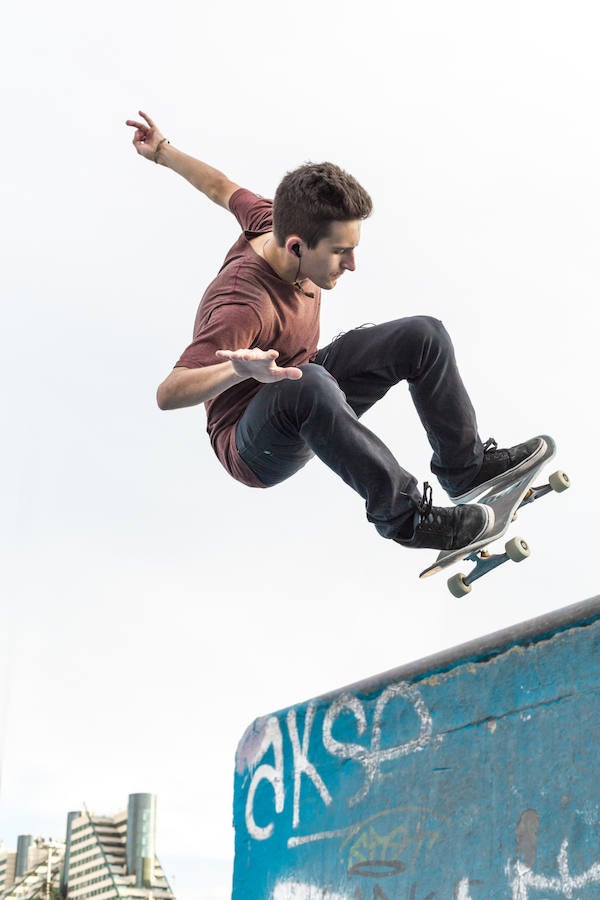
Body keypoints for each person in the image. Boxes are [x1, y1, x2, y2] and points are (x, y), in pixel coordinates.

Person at [125, 110, 544, 551]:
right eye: (340, 252)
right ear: (296, 246)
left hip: (305, 387)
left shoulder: (274, 218)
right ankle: (408, 519)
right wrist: (240, 371)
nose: (352, 264)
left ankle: (465, 467)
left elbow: (221, 187)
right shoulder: (241, 304)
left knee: (424, 336)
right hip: (252, 445)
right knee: (309, 381)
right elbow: (167, 393)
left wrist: (162, 152)